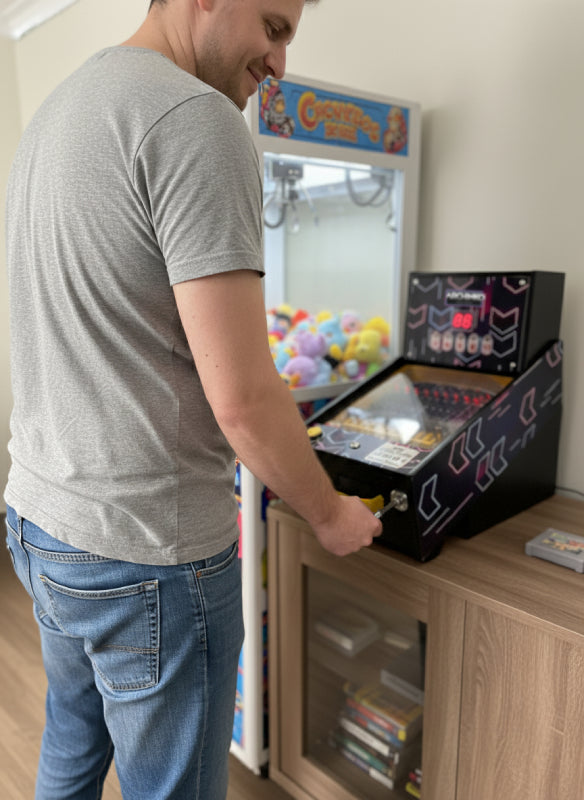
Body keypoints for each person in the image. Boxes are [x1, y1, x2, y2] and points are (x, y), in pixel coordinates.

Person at [4, 0, 383, 797]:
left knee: (72, 743)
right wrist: (330, 513)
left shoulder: (55, 114)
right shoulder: (195, 118)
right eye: (274, 27)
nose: (280, 63)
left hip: (44, 521)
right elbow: (244, 398)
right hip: (147, 552)